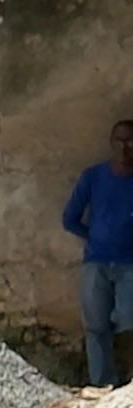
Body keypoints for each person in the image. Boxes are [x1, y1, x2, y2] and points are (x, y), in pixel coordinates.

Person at [65, 116, 133, 386]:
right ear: (111, 143)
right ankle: (103, 383)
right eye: (120, 140)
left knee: (128, 320)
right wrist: (92, 237)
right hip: (96, 262)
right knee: (95, 327)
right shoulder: (93, 177)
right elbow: (69, 218)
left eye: (131, 141)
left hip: (130, 265)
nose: (126, 147)